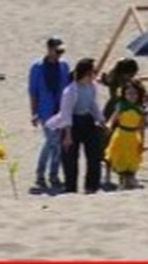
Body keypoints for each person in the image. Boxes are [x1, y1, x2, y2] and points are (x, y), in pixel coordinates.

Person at [46, 57, 104, 194]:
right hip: (72, 123)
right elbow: (66, 113)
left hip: (87, 120)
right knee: (70, 158)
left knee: (94, 155)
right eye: (92, 73)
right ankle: (71, 188)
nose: (94, 76)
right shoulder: (70, 91)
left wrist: (101, 120)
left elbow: (92, 104)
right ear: (85, 73)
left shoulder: (92, 87)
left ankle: (91, 187)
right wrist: (68, 135)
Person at [28, 36, 70, 189]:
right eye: (57, 51)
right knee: (52, 143)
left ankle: (51, 175)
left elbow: (68, 87)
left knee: (54, 144)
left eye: (61, 51)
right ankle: (42, 175)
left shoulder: (64, 65)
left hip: (60, 110)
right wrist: (33, 113)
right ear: (49, 49)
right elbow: (33, 91)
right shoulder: (37, 67)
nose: (60, 54)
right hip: (45, 111)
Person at [104, 79, 147, 189]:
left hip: (133, 136)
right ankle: (122, 181)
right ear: (124, 94)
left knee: (132, 159)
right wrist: (109, 125)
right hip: (121, 135)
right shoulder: (121, 106)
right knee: (120, 158)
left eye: (134, 93)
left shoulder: (141, 109)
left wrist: (142, 141)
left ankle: (130, 180)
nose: (132, 96)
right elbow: (114, 117)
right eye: (129, 93)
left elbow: (141, 127)